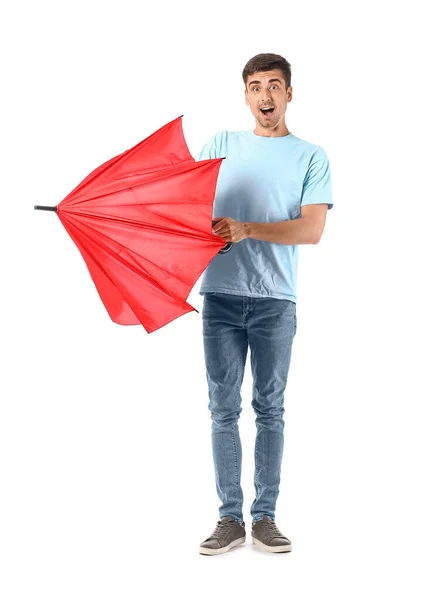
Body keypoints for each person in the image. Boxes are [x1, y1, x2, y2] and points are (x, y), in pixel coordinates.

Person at [197, 53, 333, 556]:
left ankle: (266, 517)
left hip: (276, 300)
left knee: (270, 409)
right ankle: (229, 518)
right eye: (256, 87)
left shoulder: (311, 155)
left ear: (289, 94)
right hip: (221, 296)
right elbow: (187, 205)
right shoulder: (221, 146)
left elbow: (312, 230)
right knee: (222, 410)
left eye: (275, 86)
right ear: (246, 96)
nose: (266, 96)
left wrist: (249, 228)